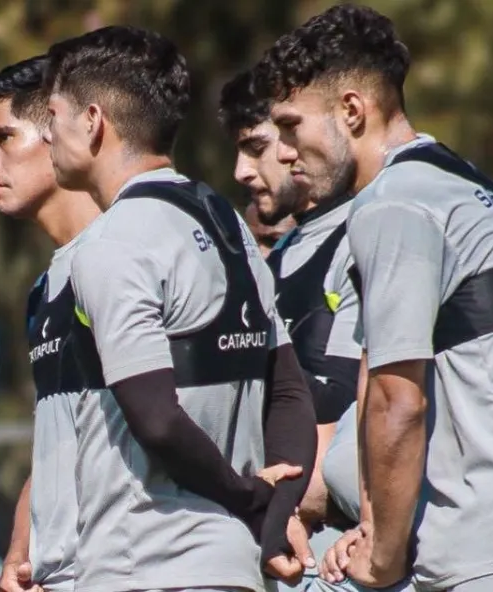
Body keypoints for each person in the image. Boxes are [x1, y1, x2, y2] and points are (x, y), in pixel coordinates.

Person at [256, 4, 493, 591]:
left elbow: (397, 403)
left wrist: (381, 558)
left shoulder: (395, 204)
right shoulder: (455, 181)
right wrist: (376, 525)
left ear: (351, 110)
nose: (282, 151)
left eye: (292, 125)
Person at [42, 25, 317, 592]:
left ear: (93, 122)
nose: (48, 136)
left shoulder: (111, 241)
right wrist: (269, 517)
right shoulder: (226, 221)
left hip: (142, 567)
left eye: (53, 115)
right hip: (232, 570)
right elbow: (288, 391)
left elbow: (159, 421)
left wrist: (248, 497)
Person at [221, 68, 410, 592]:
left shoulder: (372, 227)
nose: (241, 170)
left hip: (354, 544)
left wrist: (280, 504)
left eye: (256, 145)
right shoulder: (280, 254)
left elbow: (353, 403)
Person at [0, 55, 102, 592]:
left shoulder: (131, 255)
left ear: (60, 131)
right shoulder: (44, 288)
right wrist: (20, 553)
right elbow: (56, 442)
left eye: (4, 137)